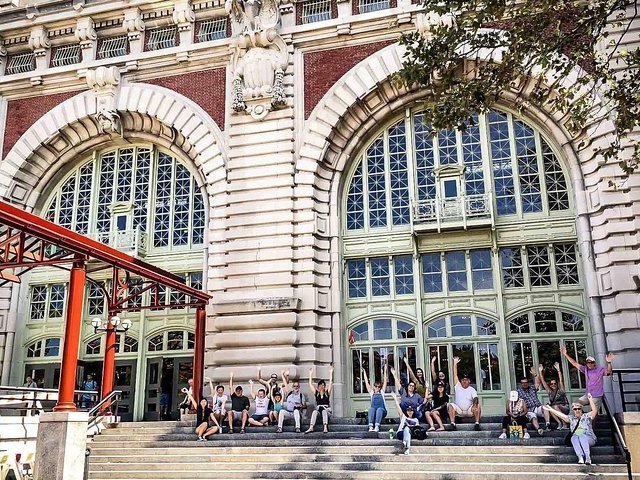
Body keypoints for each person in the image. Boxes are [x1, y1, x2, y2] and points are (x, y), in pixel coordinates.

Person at [544, 394, 599, 465]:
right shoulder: (571, 418)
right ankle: (580, 457)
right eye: (575, 409)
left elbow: (594, 411)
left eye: (579, 409)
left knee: (582, 436)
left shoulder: (586, 416)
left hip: (589, 438)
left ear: (581, 409)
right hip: (577, 438)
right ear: (573, 410)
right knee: (574, 437)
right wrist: (551, 409)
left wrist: (590, 399)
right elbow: (562, 415)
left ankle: (587, 457)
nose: (577, 410)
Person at [562, 346, 614, 412]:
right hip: (588, 395)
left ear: (594, 363)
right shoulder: (585, 369)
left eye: (591, 362)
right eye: (588, 363)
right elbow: (574, 363)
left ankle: (591, 418)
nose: (590, 364)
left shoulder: (599, 370)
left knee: (594, 413)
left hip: (596, 395)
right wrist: (566, 354)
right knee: (576, 404)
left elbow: (609, 372)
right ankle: (583, 416)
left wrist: (609, 363)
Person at [447, 357, 481, 431]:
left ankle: (477, 424)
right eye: (463, 380)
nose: (464, 381)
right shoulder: (458, 386)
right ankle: (452, 424)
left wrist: (474, 405)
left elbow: (475, 398)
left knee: (477, 406)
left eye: (466, 380)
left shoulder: (472, 389)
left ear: (469, 381)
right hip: (459, 410)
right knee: (451, 405)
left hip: (469, 410)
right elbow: (455, 375)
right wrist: (455, 363)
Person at [538, 363, 570, 429]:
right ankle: (559, 423)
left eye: (555, 383)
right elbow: (543, 382)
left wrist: (558, 370)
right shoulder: (550, 392)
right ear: (550, 385)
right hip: (555, 408)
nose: (553, 385)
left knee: (555, 406)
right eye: (552, 384)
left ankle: (564, 423)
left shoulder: (561, 390)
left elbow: (561, 380)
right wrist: (540, 372)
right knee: (549, 407)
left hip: (564, 407)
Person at [517, 368, 546, 435]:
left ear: (528, 383)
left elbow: (538, 383)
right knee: (533, 417)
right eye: (523, 383)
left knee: (545, 407)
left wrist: (535, 375)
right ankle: (539, 429)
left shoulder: (532, 388)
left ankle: (548, 424)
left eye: (526, 382)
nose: (524, 384)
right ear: (521, 384)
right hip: (529, 410)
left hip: (537, 407)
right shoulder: (518, 392)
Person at [305, 366, 334, 434]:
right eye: (320, 385)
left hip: (326, 410)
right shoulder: (317, 393)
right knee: (314, 412)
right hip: (319, 411)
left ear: (325, 387)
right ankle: (311, 427)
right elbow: (310, 385)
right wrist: (310, 374)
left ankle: (325, 427)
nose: (322, 387)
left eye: (323, 385)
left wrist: (330, 373)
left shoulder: (327, 393)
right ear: (318, 387)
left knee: (324, 411)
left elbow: (330, 383)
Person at [362, 363, 388, 432]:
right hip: (374, 412)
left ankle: (377, 426)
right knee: (371, 409)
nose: (377, 388)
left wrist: (385, 370)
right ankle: (370, 426)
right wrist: (364, 372)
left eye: (379, 387)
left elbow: (385, 381)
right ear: (374, 387)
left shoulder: (382, 392)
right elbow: (366, 382)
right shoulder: (372, 393)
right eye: (376, 386)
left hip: (382, 411)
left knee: (379, 409)